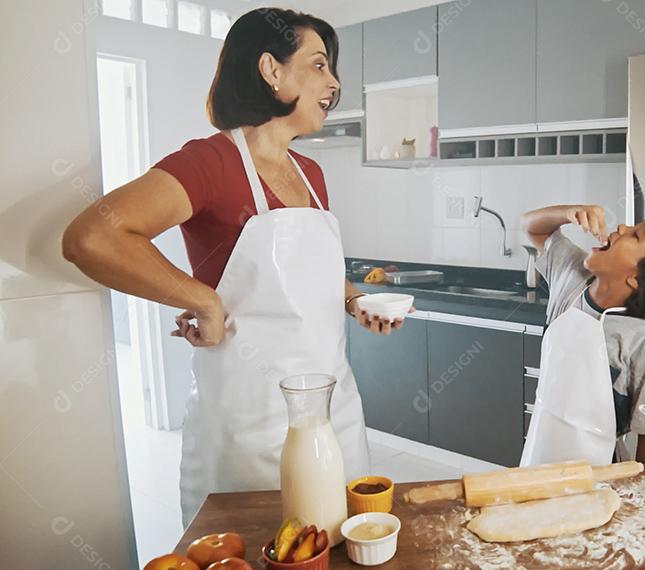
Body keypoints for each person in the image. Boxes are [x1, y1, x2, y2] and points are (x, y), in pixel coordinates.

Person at [61, 8, 400, 525]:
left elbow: (311, 275)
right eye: (318, 65)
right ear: (271, 69)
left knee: (339, 539)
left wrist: (356, 301)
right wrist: (202, 300)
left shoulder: (310, 173)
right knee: (258, 546)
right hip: (249, 425)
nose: (334, 83)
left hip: (334, 414)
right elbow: (93, 237)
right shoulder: (210, 163)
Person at [522, 204, 645, 462]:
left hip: (600, 472)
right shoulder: (570, 275)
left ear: (637, 278)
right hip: (538, 455)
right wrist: (569, 213)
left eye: (636, 235)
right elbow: (532, 227)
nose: (622, 227)